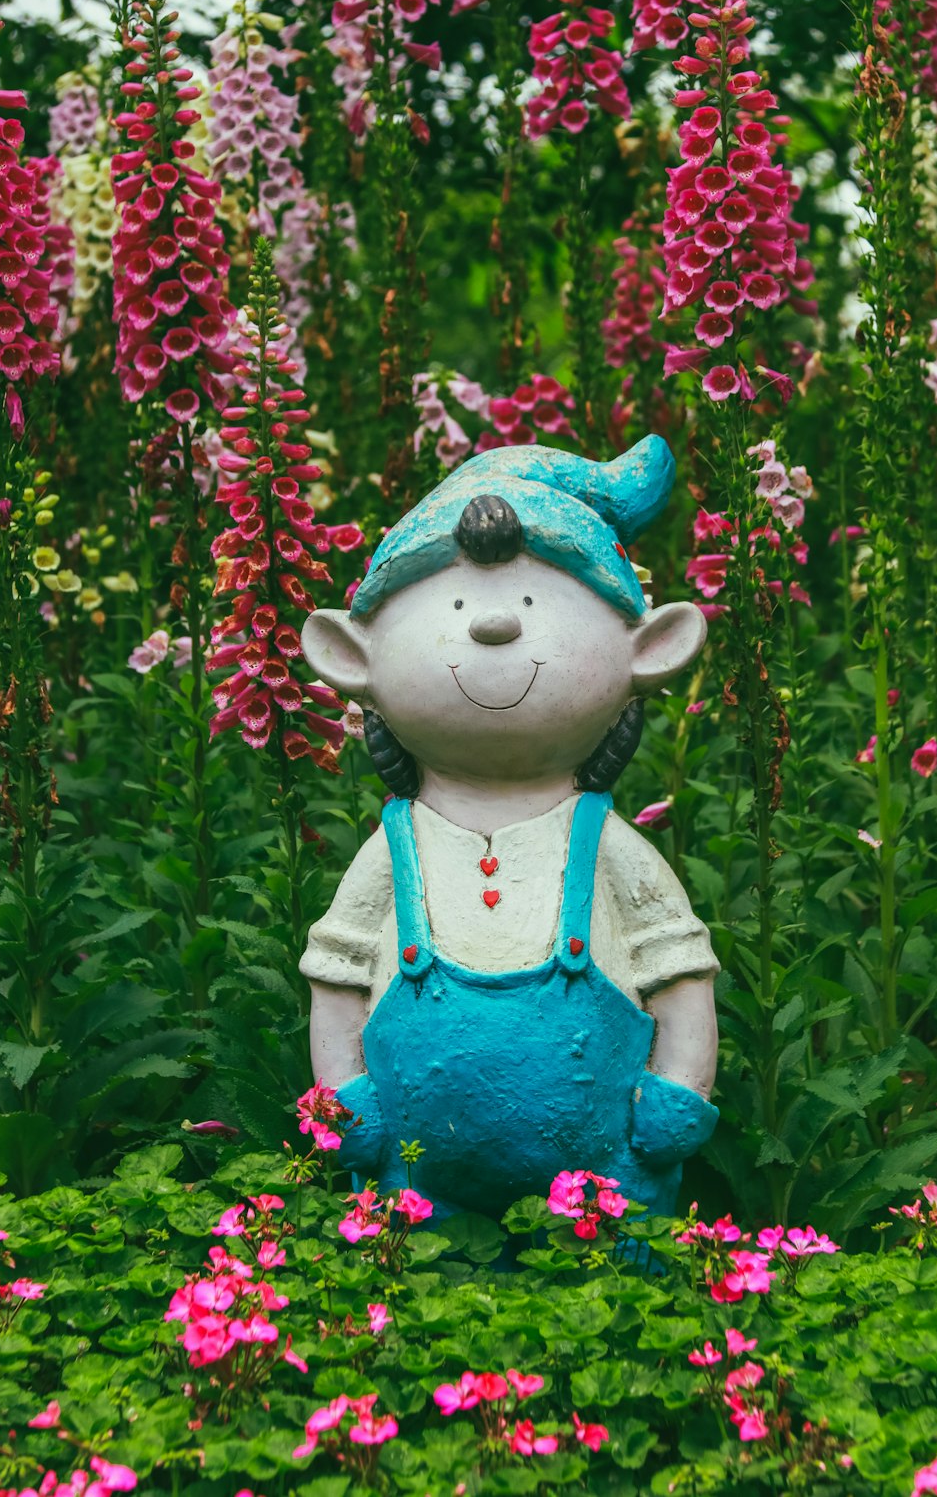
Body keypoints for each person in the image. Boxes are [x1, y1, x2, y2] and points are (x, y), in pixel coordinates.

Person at [300, 435, 719, 1218]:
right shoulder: (396, 850)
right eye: (452, 604)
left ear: (650, 649)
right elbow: (340, 976)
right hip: (416, 1193)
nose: (494, 626)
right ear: (353, 658)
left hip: (609, 1189)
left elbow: (679, 970)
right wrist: (346, 1102)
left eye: (537, 602)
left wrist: (675, 1093)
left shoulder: (608, 847)